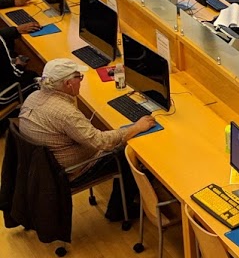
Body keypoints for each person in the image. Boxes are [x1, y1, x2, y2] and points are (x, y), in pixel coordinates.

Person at [18, 58, 156, 221]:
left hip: (45, 168)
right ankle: (118, 210)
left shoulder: (33, 97)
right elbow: (100, 142)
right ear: (68, 84)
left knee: (115, 136)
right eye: (79, 77)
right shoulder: (65, 113)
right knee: (126, 153)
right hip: (73, 170)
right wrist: (135, 128)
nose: (81, 82)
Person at [0, 0, 39, 107]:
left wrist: (16, 30)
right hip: (2, 96)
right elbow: (14, 76)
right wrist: (19, 65)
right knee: (35, 77)